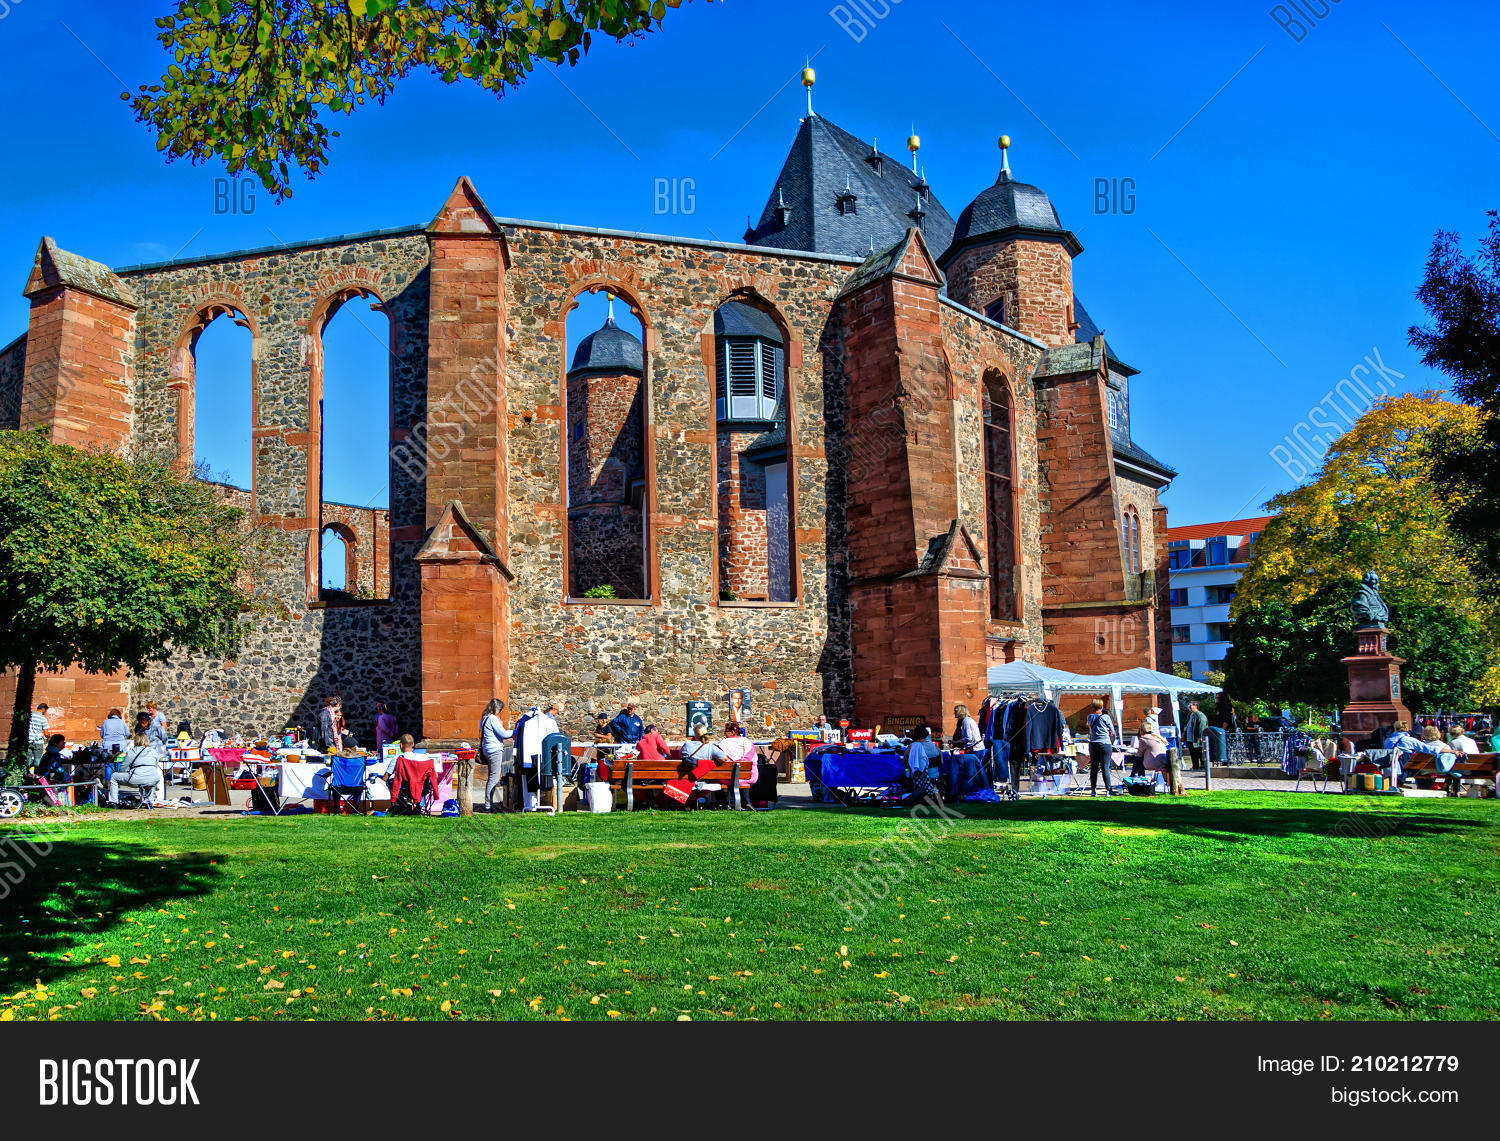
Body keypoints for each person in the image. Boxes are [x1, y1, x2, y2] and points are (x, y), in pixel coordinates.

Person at [108, 730, 163, 807]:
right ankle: (149, 802)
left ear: (135, 741)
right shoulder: (154, 752)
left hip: (137, 778)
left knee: (114, 777)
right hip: (153, 778)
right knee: (147, 781)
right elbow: (155, 765)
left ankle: (113, 802)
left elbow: (123, 768)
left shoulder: (132, 752)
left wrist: (130, 770)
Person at [480, 698, 512, 811]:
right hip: (494, 750)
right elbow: (503, 733)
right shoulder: (492, 718)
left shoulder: (484, 718)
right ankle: (488, 805)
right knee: (493, 778)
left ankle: (489, 803)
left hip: (486, 749)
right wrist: (516, 731)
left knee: (491, 777)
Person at [1086, 698, 1121, 797]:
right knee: (1105, 767)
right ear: (1102, 707)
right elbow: (1112, 731)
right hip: (1105, 743)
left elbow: (1089, 726)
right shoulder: (1105, 717)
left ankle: (1093, 790)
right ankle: (1108, 790)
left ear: (1092, 706)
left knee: (1094, 768)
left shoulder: (1089, 716)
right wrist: (1109, 731)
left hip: (1093, 743)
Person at [904, 725, 941, 799]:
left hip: (918, 777)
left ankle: (910, 790)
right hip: (934, 775)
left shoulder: (911, 747)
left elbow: (904, 762)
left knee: (906, 771)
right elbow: (941, 762)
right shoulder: (934, 746)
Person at [1183, 700, 1209, 770]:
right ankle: (1195, 766)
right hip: (1189, 737)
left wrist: (1200, 736)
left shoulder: (1200, 715)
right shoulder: (1190, 715)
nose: (1190, 706)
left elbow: (1202, 726)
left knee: (1199, 752)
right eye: (1190, 705)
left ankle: (1203, 766)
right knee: (1192, 752)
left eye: (1192, 705)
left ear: (1196, 706)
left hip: (1197, 738)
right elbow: (1186, 725)